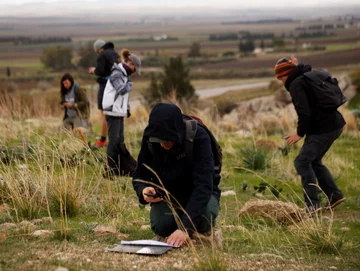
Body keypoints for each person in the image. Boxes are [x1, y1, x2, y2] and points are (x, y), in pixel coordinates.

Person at [132, 103, 221, 247]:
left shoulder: (198, 137)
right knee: (161, 226)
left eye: (167, 140)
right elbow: (139, 173)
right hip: (168, 196)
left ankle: (194, 225)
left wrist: (185, 228)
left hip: (199, 193)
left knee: (205, 217)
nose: (162, 145)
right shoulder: (150, 138)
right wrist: (143, 190)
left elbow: (204, 185)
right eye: (158, 141)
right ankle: (181, 222)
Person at [274, 55, 346, 212]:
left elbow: (304, 112)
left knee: (302, 161)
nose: (281, 81)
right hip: (335, 124)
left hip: (323, 129)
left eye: (280, 77)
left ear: (285, 75)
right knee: (314, 161)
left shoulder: (296, 84)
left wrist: (299, 133)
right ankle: (334, 195)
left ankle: (312, 205)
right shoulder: (307, 76)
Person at [102, 48, 140, 177]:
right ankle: (110, 169)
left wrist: (127, 109)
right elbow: (121, 90)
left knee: (120, 141)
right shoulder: (117, 74)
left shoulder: (123, 75)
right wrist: (129, 86)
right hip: (112, 111)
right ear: (131, 64)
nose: (133, 72)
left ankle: (120, 168)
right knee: (113, 141)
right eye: (134, 69)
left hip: (118, 112)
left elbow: (123, 97)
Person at [89, 39, 120, 147]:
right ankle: (115, 139)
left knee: (104, 113)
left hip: (106, 86)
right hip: (117, 86)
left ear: (99, 49)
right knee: (114, 114)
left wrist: (94, 70)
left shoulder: (102, 55)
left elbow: (100, 71)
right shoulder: (115, 54)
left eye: (97, 52)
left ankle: (102, 140)